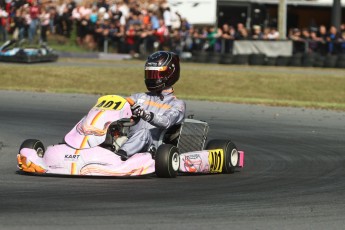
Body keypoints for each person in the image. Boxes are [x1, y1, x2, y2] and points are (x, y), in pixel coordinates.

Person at [116, 51, 186, 161]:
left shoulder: (177, 104)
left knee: (144, 133)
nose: (152, 78)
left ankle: (118, 158)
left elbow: (166, 121)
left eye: (155, 75)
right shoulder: (138, 97)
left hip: (155, 149)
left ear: (169, 74)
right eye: (149, 74)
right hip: (130, 140)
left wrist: (146, 115)